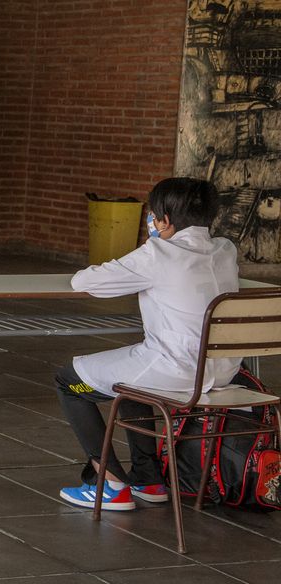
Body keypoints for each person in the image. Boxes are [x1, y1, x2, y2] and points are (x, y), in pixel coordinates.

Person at [57, 177, 240, 511]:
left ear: (164, 220)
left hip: (177, 373)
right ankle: (148, 478)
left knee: (68, 379)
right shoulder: (226, 250)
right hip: (224, 375)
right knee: (130, 375)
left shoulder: (159, 252)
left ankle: (108, 484)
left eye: (154, 215)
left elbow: (85, 281)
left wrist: (148, 249)